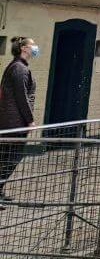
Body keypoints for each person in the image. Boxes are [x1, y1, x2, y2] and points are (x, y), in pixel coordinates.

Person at [0, 37, 38, 202]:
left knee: (6, 158)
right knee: (11, 157)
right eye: (32, 44)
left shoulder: (17, 67)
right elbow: (22, 97)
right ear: (23, 48)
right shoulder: (19, 69)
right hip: (14, 122)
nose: (35, 47)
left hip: (11, 120)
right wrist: (30, 120)